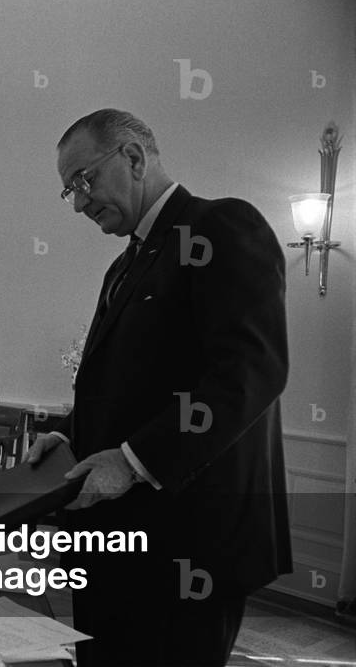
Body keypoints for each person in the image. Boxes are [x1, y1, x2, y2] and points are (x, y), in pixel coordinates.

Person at [27, 108, 291, 666]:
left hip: (188, 545)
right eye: (68, 191)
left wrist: (131, 460)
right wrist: (72, 438)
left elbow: (250, 372)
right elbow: (128, 386)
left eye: (82, 181)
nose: (77, 203)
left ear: (133, 157)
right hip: (119, 544)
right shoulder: (124, 265)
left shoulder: (221, 226)